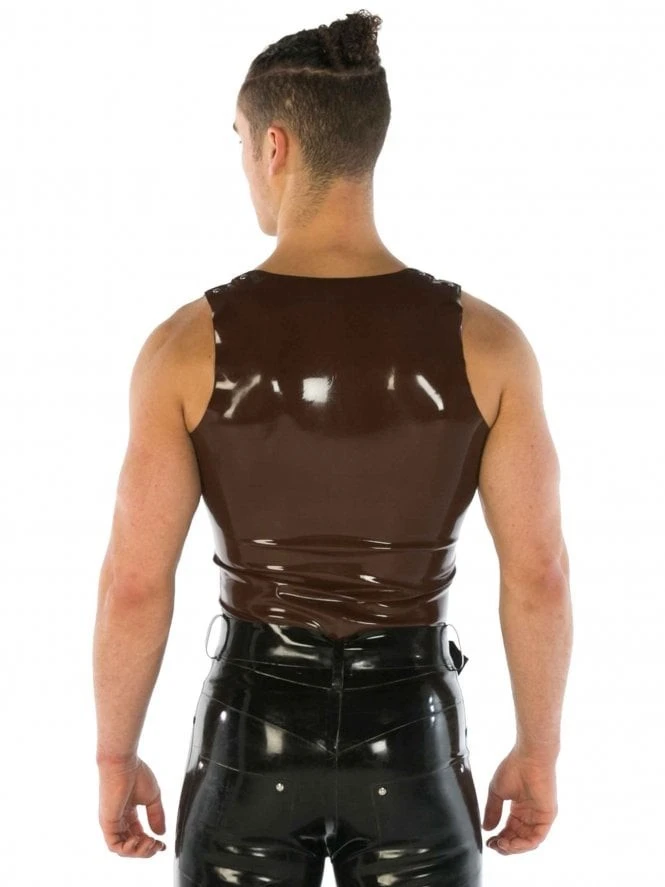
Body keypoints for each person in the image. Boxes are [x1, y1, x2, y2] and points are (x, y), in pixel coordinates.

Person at [93, 10, 573, 886]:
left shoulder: (184, 346)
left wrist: (113, 757)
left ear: (274, 147)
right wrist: (537, 751)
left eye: (239, 141)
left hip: (251, 732)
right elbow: (538, 572)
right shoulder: (491, 345)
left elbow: (133, 581)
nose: (244, 165)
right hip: (412, 735)